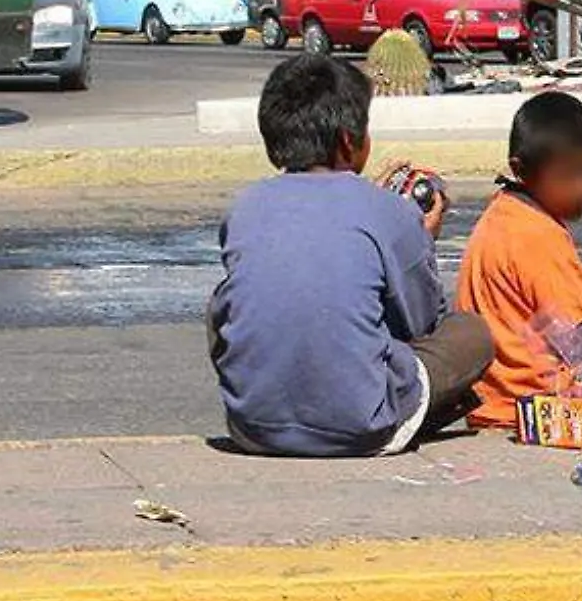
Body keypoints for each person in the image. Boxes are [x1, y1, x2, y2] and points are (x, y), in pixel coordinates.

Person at [208, 54, 493, 457]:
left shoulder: (246, 207)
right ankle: (396, 414)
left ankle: (270, 404)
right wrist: (418, 238)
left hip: (253, 428)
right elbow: (422, 322)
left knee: (226, 300)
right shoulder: (389, 211)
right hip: (364, 428)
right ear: (348, 140)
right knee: (471, 334)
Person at [455, 93, 582, 428]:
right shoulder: (538, 235)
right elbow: (576, 340)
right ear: (520, 170)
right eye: (570, 176)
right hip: (537, 402)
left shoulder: (502, 214)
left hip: (491, 399)